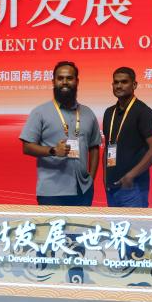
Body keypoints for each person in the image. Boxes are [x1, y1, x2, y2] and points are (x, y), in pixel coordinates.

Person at [20, 61, 100, 206]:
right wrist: (53, 150)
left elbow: (94, 147)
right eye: (60, 78)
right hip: (52, 192)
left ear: (77, 81)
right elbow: (27, 147)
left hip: (83, 191)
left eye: (69, 78)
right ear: (53, 81)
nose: (64, 82)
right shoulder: (40, 112)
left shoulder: (88, 113)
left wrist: (91, 179)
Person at [102, 67, 152, 208]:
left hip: (133, 188)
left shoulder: (143, 111)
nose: (119, 86)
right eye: (116, 82)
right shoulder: (109, 113)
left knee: (134, 224)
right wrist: (105, 178)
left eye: (124, 82)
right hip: (112, 188)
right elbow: (108, 148)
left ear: (134, 85)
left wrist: (131, 175)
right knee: (114, 223)